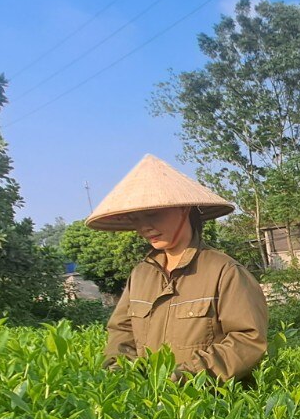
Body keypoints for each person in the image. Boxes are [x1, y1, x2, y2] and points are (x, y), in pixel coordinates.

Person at [92, 154, 268, 382]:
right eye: (136, 218)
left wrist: (182, 378)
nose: (145, 227)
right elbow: (121, 332)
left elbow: (248, 340)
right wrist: (122, 376)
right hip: (148, 407)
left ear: (183, 209)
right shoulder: (140, 275)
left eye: (153, 213)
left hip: (206, 407)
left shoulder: (223, 271)